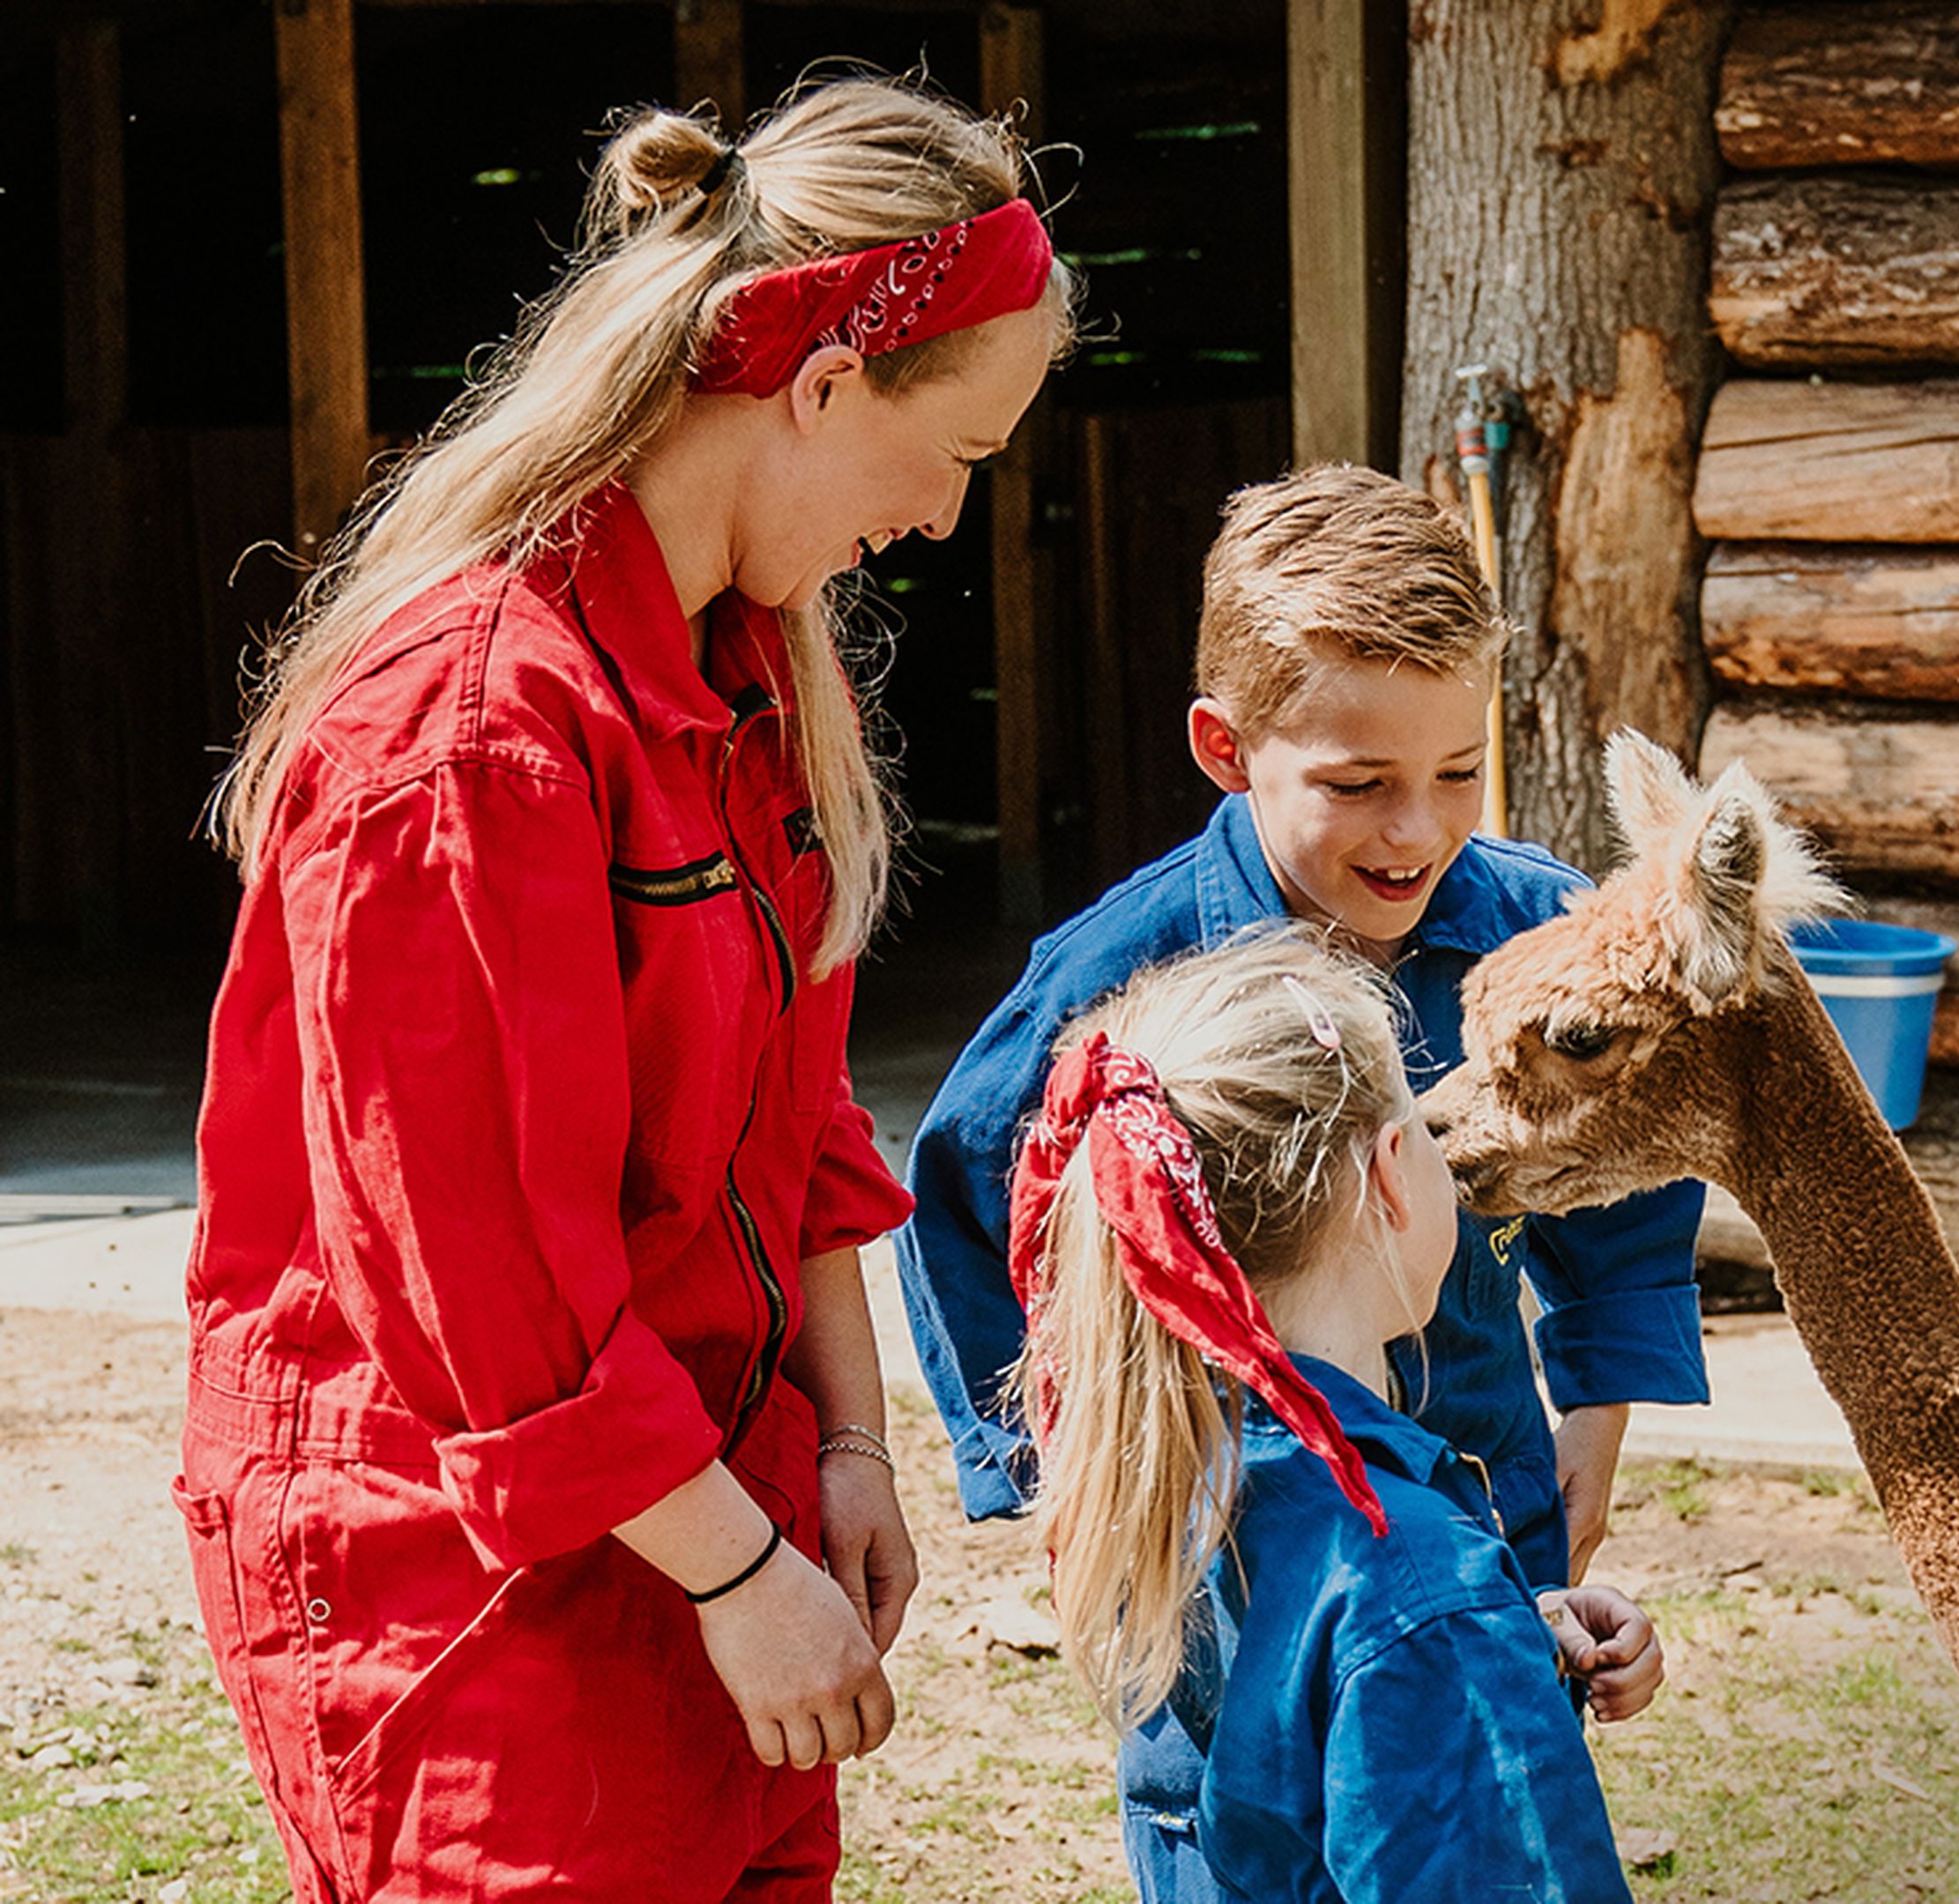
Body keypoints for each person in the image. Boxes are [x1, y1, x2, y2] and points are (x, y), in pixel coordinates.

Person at [177, 81, 1070, 1902]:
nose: (944, 522)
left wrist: (847, 1446)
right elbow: (485, 1282)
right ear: (823, 388)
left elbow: (799, 1119)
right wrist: (741, 1576)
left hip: (709, 1521)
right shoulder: (466, 732)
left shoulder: (746, 684)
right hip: (476, 1583)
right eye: (963, 455)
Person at [896, 462, 1703, 1891]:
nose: (1418, 830)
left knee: (1475, 1811)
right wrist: (1067, 1484)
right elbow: (967, 1190)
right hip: (1222, 1565)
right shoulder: (1113, 980)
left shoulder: (1531, 934)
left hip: (1481, 1522)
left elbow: (1628, 1166)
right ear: (1227, 747)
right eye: (1359, 785)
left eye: (1459, 772)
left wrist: (1603, 1405)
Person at [1008, 933, 1657, 1900]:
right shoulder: (1422, 1592)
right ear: (1394, 1173)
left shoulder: (1172, 1475)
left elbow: (1295, 1740)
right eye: (1430, 1132)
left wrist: (1509, 1643)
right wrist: (1462, 1638)